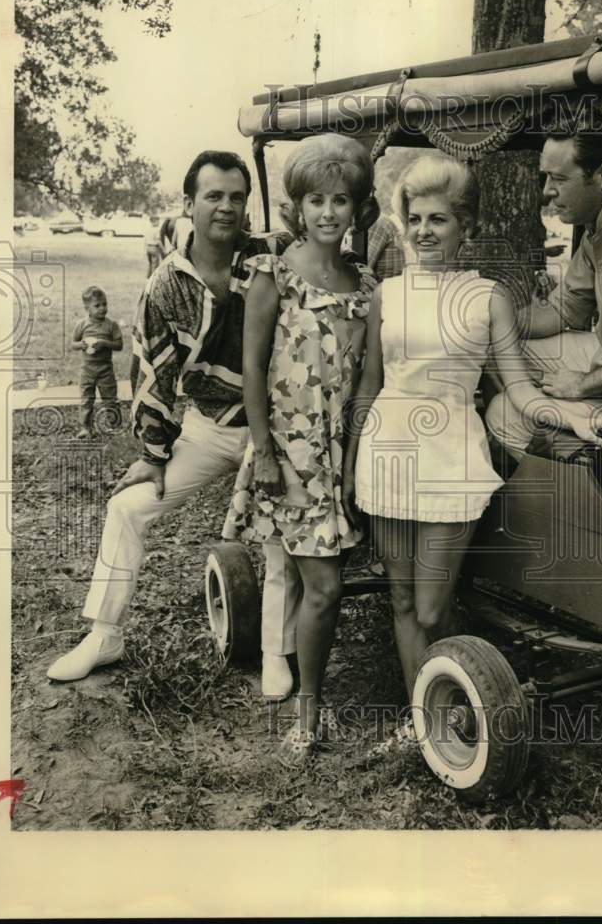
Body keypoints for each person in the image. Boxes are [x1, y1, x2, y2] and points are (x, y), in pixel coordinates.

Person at [341, 154, 602, 710]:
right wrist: (349, 466)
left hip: (452, 458)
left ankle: (452, 704)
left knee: (433, 607)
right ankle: (427, 719)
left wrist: (574, 415)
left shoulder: (488, 298)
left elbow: (519, 388)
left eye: (437, 219)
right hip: (387, 453)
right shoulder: (387, 295)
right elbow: (368, 386)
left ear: (465, 227)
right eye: (415, 219)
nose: (423, 231)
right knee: (402, 601)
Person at [47, 150, 301, 699]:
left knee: (281, 530)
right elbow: (153, 373)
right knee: (127, 506)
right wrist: (153, 453)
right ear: (189, 204)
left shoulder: (273, 253)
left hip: (278, 429)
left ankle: (276, 651)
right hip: (209, 428)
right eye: (213, 196)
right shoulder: (164, 284)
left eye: (236, 197)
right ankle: (105, 634)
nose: (226, 207)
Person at [221, 132, 378, 764]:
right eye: (316, 200)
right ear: (298, 207)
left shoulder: (365, 286)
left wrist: (356, 457)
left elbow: (367, 382)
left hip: (342, 454)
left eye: (340, 200)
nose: (328, 212)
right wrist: (263, 451)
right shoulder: (275, 275)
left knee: (327, 584)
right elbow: (252, 368)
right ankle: (308, 712)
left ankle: (306, 690)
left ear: (357, 208)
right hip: (290, 454)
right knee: (326, 587)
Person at [483, 118, 602, 464]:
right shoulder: (598, 226)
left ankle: (591, 463)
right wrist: (491, 322)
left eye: (558, 179)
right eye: (546, 177)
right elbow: (564, 309)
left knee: (502, 413)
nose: (547, 191)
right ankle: (561, 417)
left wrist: (582, 385)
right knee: (496, 347)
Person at [72, 286, 123, 439]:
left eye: (104, 304)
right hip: (87, 370)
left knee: (110, 399)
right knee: (86, 399)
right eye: (97, 305)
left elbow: (119, 345)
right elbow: (73, 343)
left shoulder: (111, 325)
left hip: (105, 369)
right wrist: (81, 345)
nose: (102, 308)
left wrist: (105, 343)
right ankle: (86, 428)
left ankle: (115, 426)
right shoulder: (82, 325)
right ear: (87, 308)